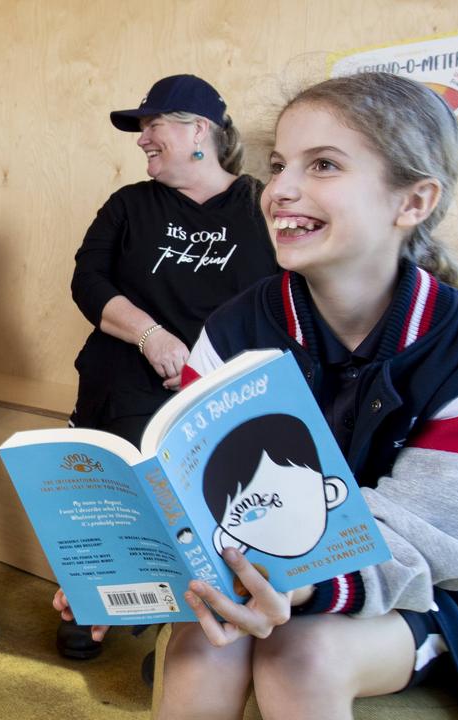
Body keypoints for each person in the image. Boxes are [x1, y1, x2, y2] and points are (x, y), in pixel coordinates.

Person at [67, 71, 458, 719]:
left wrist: (303, 582)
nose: (282, 189)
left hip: (437, 594)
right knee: (202, 646)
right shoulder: (236, 328)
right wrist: (129, 564)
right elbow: (198, 492)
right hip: (268, 567)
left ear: (413, 202)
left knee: (300, 654)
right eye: (278, 165)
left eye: (323, 165)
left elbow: (454, 539)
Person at [59, 73, 277, 660]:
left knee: (212, 501)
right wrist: (151, 335)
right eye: (142, 128)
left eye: (153, 125)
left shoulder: (262, 203)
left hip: (223, 383)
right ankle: (93, 598)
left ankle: (183, 635)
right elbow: (88, 280)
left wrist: (210, 369)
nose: (142, 139)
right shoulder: (129, 204)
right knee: (120, 481)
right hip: (127, 371)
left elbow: (287, 298)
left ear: (198, 129)